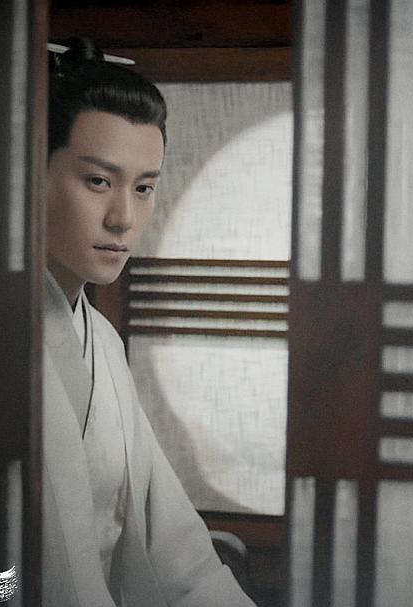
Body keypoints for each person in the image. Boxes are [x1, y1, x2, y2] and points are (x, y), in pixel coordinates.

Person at [41, 38, 257, 607]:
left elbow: (173, 544)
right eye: (98, 181)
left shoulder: (102, 342)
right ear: (32, 174)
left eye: (143, 188)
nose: (123, 218)